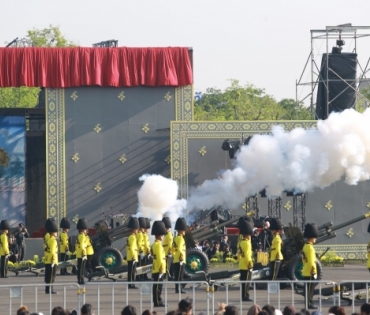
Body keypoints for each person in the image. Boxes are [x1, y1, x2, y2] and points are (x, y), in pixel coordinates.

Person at [302, 223, 319, 309]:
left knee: (308, 290)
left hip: (306, 270)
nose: (315, 239)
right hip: (310, 272)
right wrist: (314, 272)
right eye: (314, 238)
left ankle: (308, 303)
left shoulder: (305, 246)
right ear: (312, 238)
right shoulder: (310, 248)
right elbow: (312, 262)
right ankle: (309, 303)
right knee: (310, 290)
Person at [151, 220, 167, 307]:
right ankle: (157, 301)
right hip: (159, 268)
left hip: (158, 267)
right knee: (158, 286)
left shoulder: (156, 244)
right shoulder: (157, 245)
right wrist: (161, 268)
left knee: (159, 286)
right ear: (159, 235)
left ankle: (158, 300)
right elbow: (160, 258)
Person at [238, 220, 253, 302]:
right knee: (247, 282)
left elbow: (239, 254)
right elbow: (247, 256)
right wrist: (250, 264)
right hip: (247, 265)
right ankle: (245, 296)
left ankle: (244, 296)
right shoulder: (247, 243)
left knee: (243, 282)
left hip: (242, 264)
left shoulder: (241, 242)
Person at [173, 217, 187, 294]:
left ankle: (177, 288)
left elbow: (173, 248)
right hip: (180, 259)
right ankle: (179, 289)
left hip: (176, 259)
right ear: (181, 230)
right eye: (184, 230)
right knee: (179, 276)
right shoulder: (181, 239)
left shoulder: (175, 238)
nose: (185, 231)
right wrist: (181, 258)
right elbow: (180, 249)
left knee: (177, 275)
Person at [44, 218, 58, 294]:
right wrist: (53, 260)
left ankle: (47, 289)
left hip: (47, 259)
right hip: (52, 260)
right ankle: (50, 289)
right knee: (51, 276)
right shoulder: (53, 240)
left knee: (48, 275)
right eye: (55, 232)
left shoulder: (48, 239)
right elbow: (53, 251)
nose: (56, 233)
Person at [127, 216, 139, 288]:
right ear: (134, 229)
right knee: (132, 271)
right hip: (132, 256)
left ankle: (131, 284)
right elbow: (132, 248)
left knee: (132, 271)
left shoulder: (131, 236)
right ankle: (131, 284)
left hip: (131, 256)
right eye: (136, 229)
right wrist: (134, 257)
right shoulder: (132, 237)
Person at [75, 218, 88, 285]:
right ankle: (81, 280)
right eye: (85, 229)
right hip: (82, 254)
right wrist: (83, 253)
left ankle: (80, 279)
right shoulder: (82, 236)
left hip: (79, 254)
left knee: (80, 268)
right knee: (81, 269)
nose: (86, 230)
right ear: (83, 229)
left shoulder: (79, 236)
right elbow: (83, 245)